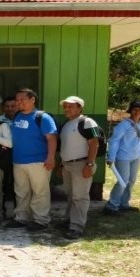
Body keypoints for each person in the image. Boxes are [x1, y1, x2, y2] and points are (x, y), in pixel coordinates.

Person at [7, 88, 57, 231]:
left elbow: (51, 138)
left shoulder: (43, 117)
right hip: (18, 161)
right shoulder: (17, 115)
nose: (19, 102)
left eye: (22, 99)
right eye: (17, 100)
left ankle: (41, 220)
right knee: (21, 191)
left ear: (32, 100)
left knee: (40, 191)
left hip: (39, 161)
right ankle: (21, 218)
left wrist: (51, 157)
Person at [58, 96, 100, 239]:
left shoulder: (87, 122)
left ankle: (76, 227)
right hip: (67, 165)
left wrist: (89, 164)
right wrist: (60, 165)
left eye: (70, 106)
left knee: (80, 196)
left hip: (81, 164)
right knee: (71, 195)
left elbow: (94, 143)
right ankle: (70, 220)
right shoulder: (67, 124)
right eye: (65, 106)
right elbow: (65, 146)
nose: (67, 109)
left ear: (80, 108)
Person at [103, 99, 140, 216]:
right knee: (123, 181)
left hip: (135, 157)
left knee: (131, 181)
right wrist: (111, 157)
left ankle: (124, 204)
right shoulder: (124, 124)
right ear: (131, 111)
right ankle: (111, 206)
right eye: (135, 109)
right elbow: (114, 141)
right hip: (122, 157)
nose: (138, 112)